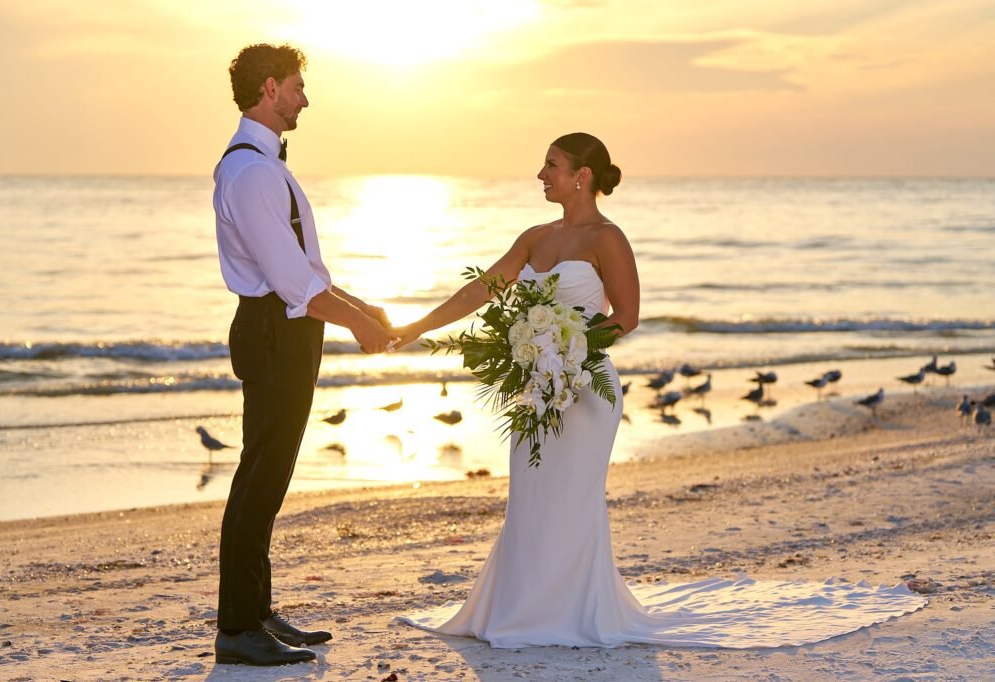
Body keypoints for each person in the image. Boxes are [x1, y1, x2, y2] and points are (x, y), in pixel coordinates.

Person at [393, 133, 925, 649]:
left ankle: (568, 613)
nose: (541, 175)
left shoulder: (608, 238)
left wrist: (568, 342)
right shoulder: (533, 236)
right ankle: (519, 609)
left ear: (582, 176)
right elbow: (483, 289)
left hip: (585, 389)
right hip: (538, 390)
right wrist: (414, 328)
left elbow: (627, 317)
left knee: (573, 501)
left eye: (551, 165)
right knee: (530, 498)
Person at [212, 43, 393, 666]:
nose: (304, 98)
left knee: (270, 475)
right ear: (269, 88)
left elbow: (308, 271)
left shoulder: (264, 166)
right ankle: (236, 628)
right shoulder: (253, 172)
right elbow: (293, 285)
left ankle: (256, 613)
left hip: (283, 328)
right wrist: (359, 329)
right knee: (260, 478)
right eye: (296, 86)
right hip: (273, 331)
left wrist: (359, 306)